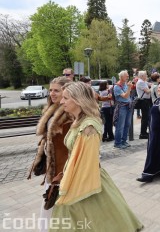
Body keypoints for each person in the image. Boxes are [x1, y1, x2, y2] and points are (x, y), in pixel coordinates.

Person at [51, 82, 143, 232]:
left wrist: (67, 183)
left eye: (66, 98)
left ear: (78, 99)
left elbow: (86, 163)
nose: (61, 101)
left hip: (85, 181)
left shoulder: (89, 127)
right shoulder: (78, 121)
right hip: (75, 177)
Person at [28, 77, 72, 232]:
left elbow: (70, 148)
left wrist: (62, 172)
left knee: (55, 203)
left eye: (57, 90)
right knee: (49, 203)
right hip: (51, 166)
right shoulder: (52, 109)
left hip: (61, 168)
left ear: (66, 92)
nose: (52, 93)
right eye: (51, 90)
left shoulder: (68, 115)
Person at [113, 70, 133, 149]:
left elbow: (128, 96)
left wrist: (128, 87)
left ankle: (124, 141)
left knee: (127, 124)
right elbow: (125, 96)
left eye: (128, 76)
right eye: (126, 76)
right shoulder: (117, 86)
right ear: (121, 77)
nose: (128, 77)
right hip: (121, 107)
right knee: (120, 125)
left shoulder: (125, 84)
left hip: (128, 106)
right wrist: (129, 88)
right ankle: (117, 143)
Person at [135, 71, 152, 139]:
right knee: (145, 117)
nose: (147, 76)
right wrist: (153, 87)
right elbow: (147, 91)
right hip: (143, 101)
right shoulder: (140, 82)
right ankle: (143, 133)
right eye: (146, 75)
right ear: (142, 76)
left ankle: (144, 132)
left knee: (146, 117)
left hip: (145, 101)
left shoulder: (143, 81)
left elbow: (150, 84)